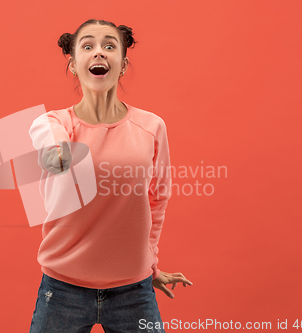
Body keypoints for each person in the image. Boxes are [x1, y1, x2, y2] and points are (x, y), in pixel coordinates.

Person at [28, 19, 193, 333]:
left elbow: (158, 199)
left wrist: (152, 263)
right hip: (63, 289)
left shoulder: (152, 127)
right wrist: (55, 154)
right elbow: (50, 145)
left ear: (123, 64)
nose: (98, 53)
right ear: (74, 65)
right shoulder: (53, 122)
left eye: (109, 46)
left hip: (134, 290)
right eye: (87, 46)